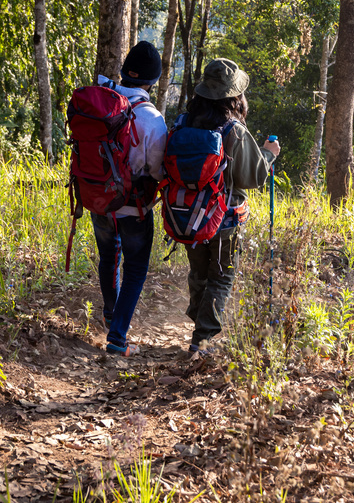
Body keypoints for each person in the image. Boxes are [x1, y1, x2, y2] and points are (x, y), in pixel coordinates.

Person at [179, 58, 281, 356]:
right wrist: (269, 153)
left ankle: (199, 321)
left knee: (200, 273)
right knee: (221, 277)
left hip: (187, 215)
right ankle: (203, 341)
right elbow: (253, 175)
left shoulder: (184, 121)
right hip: (224, 219)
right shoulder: (233, 130)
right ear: (234, 95)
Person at [92, 41, 168, 357]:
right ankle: (117, 337)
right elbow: (158, 169)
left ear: (124, 72)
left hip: (98, 199)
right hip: (133, 207)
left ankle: (112, 316)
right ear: (152, 80)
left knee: (110, 257)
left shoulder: (101, 104)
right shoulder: (152, 119)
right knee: (135, 268)